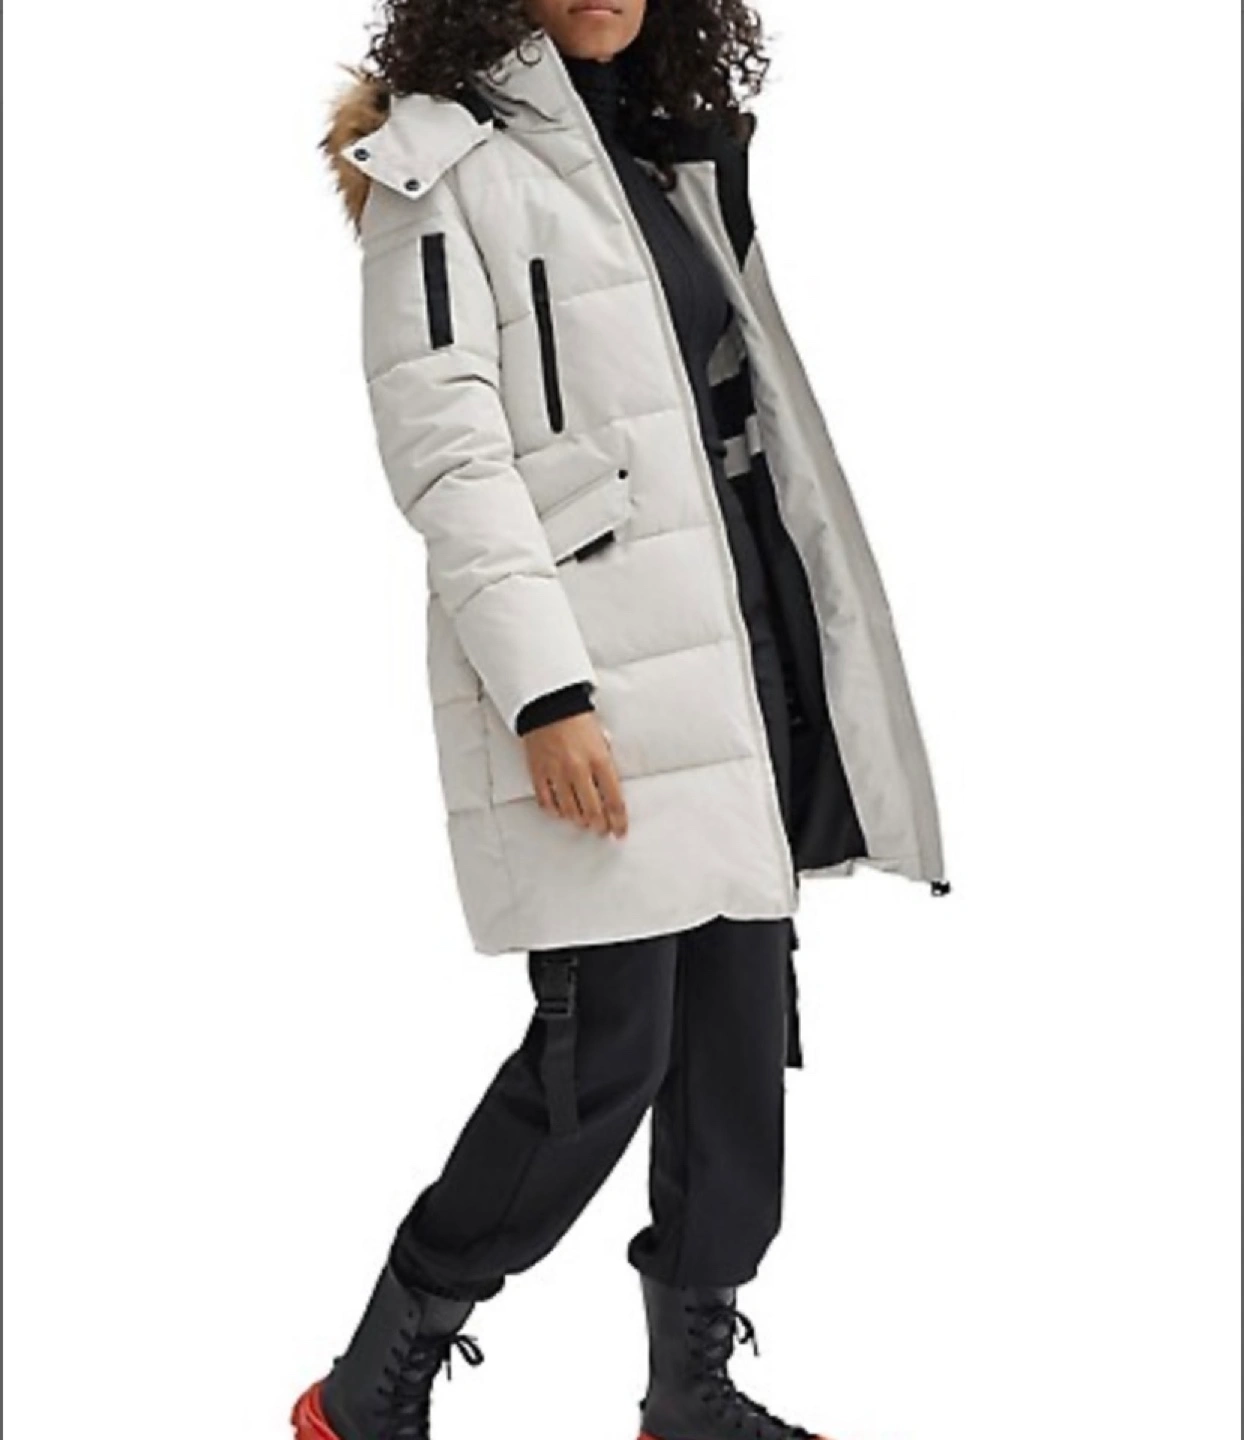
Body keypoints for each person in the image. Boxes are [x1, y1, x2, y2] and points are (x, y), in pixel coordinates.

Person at [296, 2, 949, 1437]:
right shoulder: (438, 165)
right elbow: (450, 459)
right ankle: (370, 1382)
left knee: (735, 1039)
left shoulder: (664, 151)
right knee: (603, 1057)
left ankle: (690, 1391)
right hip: (592, 671)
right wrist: (545, 693)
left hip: (737, 655)